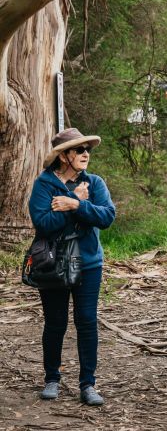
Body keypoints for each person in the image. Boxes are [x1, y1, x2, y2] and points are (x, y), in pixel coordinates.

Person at [29, 128, 116, 405]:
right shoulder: (44, 184)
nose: (86, 154)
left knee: (87, 322)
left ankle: (88, 384)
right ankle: (51, 379)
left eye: (87, 149)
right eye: (79, 150)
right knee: (55, 322)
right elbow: (43, 225)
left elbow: (106, 217)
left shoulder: (95, 183)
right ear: (64, 156)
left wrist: (75, 204)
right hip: (52, 264)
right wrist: (70, 208)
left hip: (89, 264)